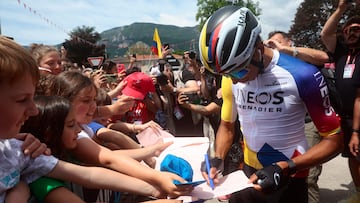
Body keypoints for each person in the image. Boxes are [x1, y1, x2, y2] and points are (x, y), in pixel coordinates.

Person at [0, 36, 183, 203]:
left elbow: (89, 174)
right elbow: (106, 160)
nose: (32, 110)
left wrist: (155, 186)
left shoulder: (21, 152)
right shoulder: (31, 161)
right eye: (22, 100)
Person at [199, 6, 343, 203]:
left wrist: (288, 166)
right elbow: (227, 126)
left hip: (290, 175)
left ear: (258, 50)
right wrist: (218, 157)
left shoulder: (303, 75)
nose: (233, 81)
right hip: (248, 172)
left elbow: (334, 139)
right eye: (226, 74)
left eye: (239, 72)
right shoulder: (231, 78)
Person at [46, 70, 192, 198]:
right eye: (86, 100)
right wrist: (156, 176)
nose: (94, 106)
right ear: (64, 102)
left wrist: (151, 161)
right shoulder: (75, 134)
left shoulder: (80, 125)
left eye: (94, 100)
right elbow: (108, 159)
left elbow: (111, 155)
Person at [21, 95, 179, 203]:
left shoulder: (71, 152)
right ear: (49, 132)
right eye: (71, 125)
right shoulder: (41, 180)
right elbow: (95, 170)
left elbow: (93, 173)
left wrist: (155, 189)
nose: (79, 130)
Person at [265, 30, 329, 203]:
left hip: (309, 123)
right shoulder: (269, 66)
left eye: (277, 42)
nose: (273, 47)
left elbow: (324, 57)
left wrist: (286, 51)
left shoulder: (299, 59)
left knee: (308, 177)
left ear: (289, 42)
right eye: (269, 43)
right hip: (283, 129)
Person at [321, 0, 360, 202]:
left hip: (358, 118)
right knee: (353, 158)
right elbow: (325, 34)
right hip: (345, 118)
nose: (351, 33)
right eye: (347, 30)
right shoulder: (342, 54)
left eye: (356, 29)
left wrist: (356, 130)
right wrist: (340, 9)